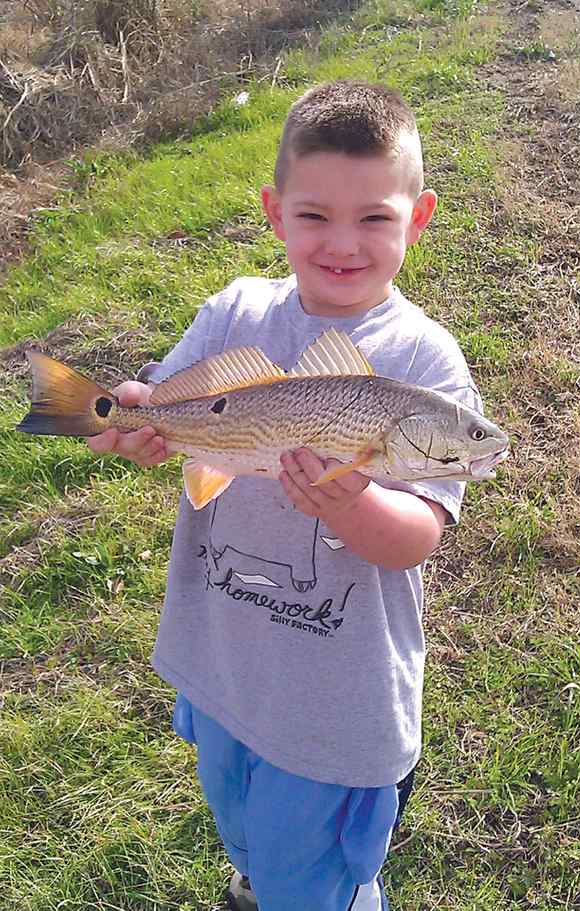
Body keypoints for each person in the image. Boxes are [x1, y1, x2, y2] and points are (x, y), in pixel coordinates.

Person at [88, 80, 481, 911]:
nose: (343, 242)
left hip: (334, 705)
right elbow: (167, 406)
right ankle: (254, 878)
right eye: (314, 216)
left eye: (374, 217)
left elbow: (419, 534)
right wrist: (129, 420)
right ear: (274, 212)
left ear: (419, 217)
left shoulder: (427, 365)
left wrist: (351, 505)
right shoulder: (236, 310)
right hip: (226, 664)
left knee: (312, 871)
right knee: (239, 816)